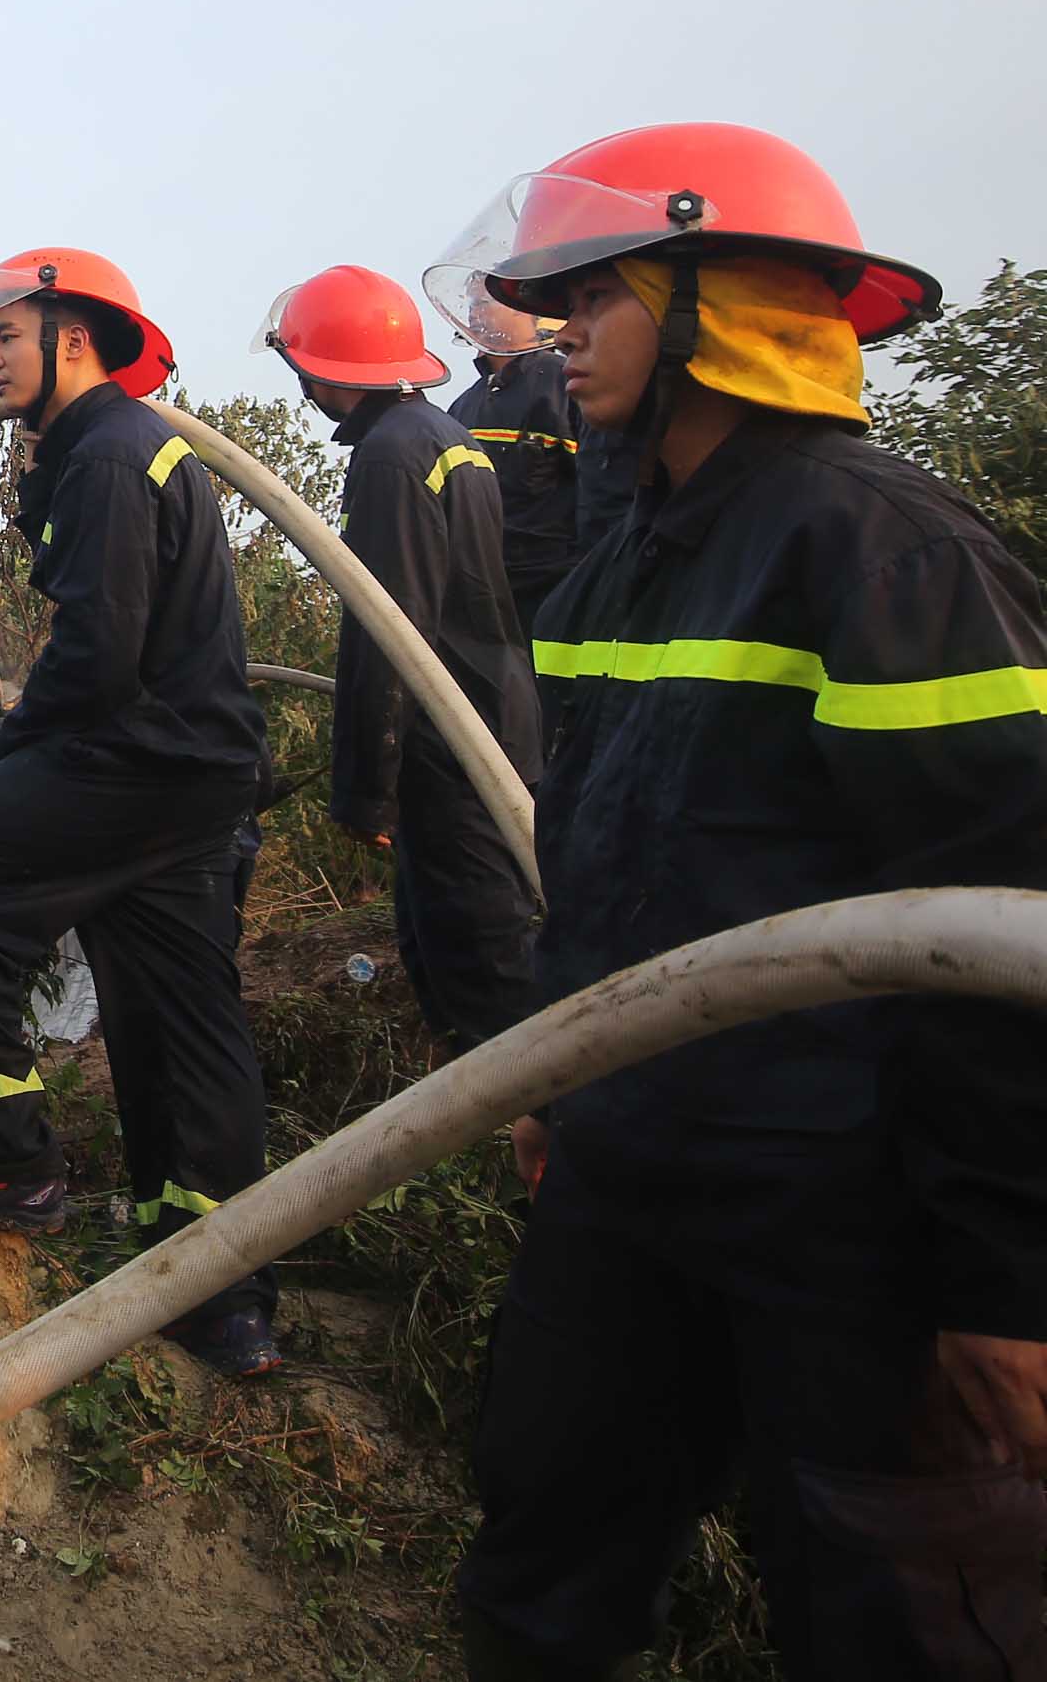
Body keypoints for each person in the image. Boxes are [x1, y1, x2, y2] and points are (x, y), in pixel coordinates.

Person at [427, 123, 1047, 1678]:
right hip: (629, 1171)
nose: (563, 334)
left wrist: (1007, 1286)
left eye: (599, 297)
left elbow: (1007, 926)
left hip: (844, 1216)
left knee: (878, 1612)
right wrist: (554, 1076)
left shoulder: (886, 548)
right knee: (543, 1548)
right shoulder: (617, 565)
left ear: (720, 303)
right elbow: (602, 850)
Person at [0, 248, 281, 1379]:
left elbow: (97, 657)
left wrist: (0, 760)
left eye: (3, 335)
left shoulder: (106, 454)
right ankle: (216, 1284)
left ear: (73, 337)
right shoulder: (131, 448)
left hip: (133, 759)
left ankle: (4, 1160)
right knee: (176, 1012)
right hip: (195, 777)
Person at [261, 265, 542, 1052]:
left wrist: (364, 790)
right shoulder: (448, 434)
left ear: (318, 370)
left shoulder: (388, 455)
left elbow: (390, 629)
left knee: (482, 962)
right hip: (491, 718)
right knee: (457, 944)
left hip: (448, 744)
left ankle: (532, 1129)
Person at [441, 291, 587, 623]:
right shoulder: (464, 406)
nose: (474, 310)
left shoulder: (565, 387)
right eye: (471, 302)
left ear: (529, 313)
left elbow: (600, 491)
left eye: (485, 301)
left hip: (553, 595)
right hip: (482, 598)